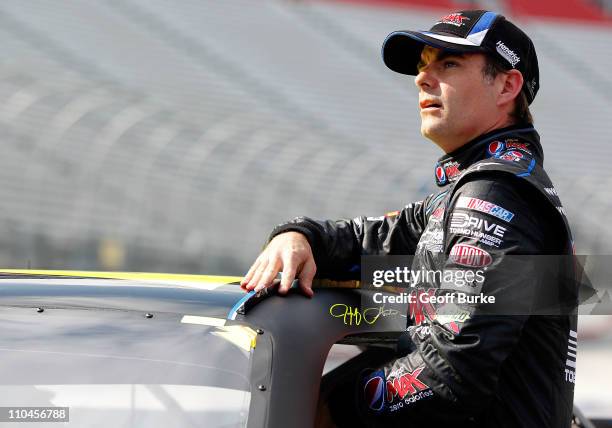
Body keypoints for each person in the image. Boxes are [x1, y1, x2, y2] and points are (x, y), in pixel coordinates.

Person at [241, 10, 577, 427]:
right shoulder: (475, 190)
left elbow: (454, 372)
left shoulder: (495, 191)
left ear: (507, 85)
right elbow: (372, 239)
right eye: (422, 67)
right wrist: (298, 235)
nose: (422, 79)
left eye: (448, 63)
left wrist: (335, 402)